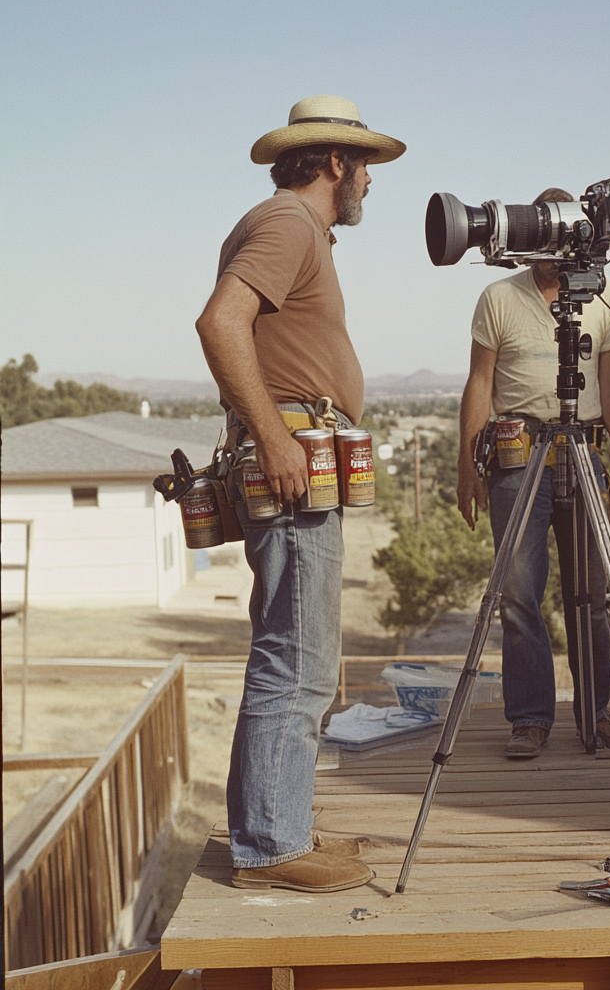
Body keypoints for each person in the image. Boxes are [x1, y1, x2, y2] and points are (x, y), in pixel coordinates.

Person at [195, 95, 405, 891]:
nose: (370, 187)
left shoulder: (294, 226)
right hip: (290, 463)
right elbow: (220, 324)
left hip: (299, 459)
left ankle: (283, 826)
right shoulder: (287, 222)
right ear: (337, 164)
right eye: (367, 170)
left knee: (299, 651)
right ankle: (272, 846)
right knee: (299, 657)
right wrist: (277, 438)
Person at [457, 188, 610, 759]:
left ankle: (597, 709)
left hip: (584, 451)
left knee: (592, 592)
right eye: (542, 233)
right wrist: (466, 465)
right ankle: (531, 718)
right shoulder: (498, 297)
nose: (552, 246)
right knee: (518, 594)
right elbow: (480, 383)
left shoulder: (604, 293)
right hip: (518, 455)